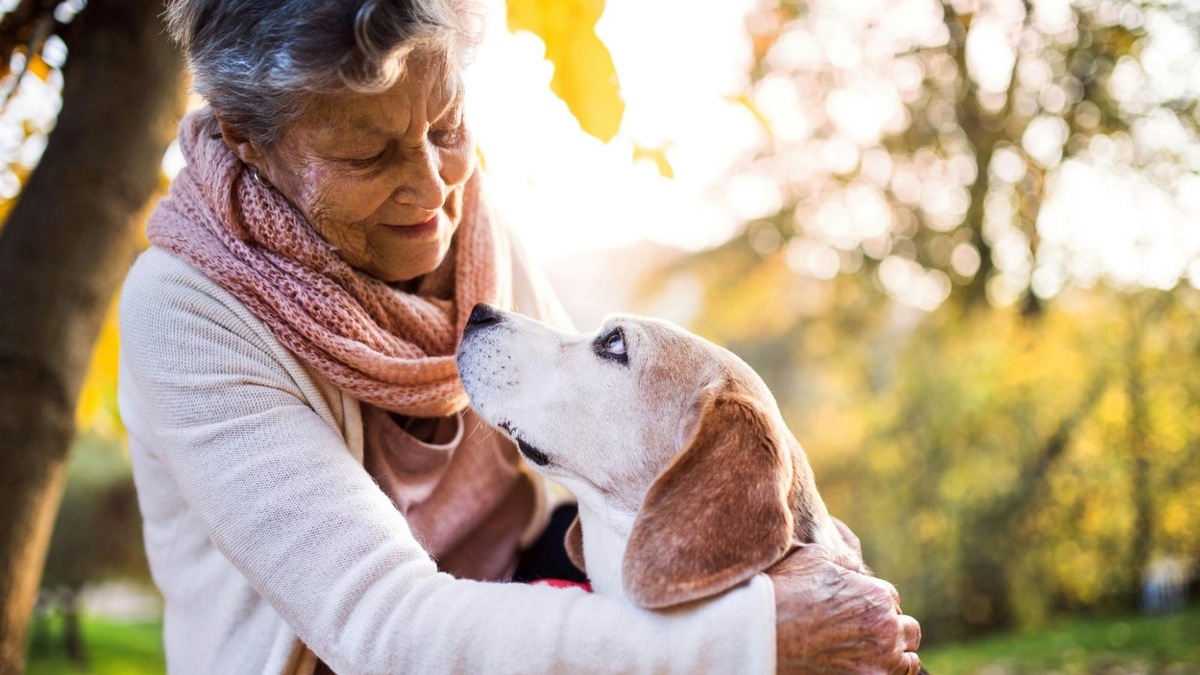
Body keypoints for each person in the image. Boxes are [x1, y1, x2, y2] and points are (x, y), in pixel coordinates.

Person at [116, 1, 924, 673]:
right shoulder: (184, 313)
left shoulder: (461, 213)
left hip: (537, 583)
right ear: (245, 140)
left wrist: (821, 568)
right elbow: (383, 627)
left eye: (446, 124)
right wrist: (754, 637)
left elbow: (603, 443)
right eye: (368, 154)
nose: (434, 187)